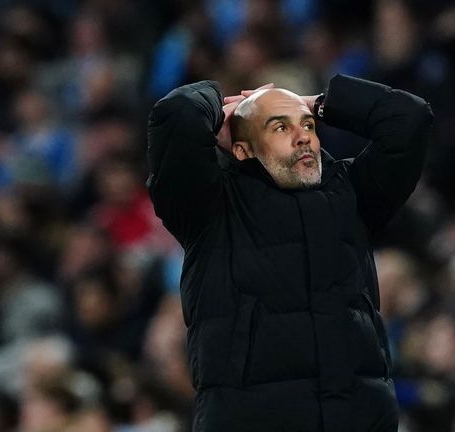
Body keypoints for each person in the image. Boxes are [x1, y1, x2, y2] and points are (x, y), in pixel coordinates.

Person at [146, 74, 433, 432]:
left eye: (308, 125)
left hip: (358, 417)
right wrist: (225, 109)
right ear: (243, 150)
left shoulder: (352, 194)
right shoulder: (210, 207)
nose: (303, 137)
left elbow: (409, 118)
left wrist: (317, 102)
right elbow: (177, 114)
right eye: (280, 127)